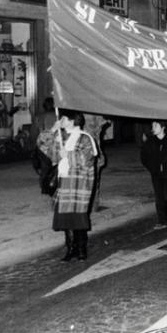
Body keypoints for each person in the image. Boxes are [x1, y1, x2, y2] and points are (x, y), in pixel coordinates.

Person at [37, 109, 99, 261]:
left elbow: (88, 159)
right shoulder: (60, 137)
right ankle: (70, 248)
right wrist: (52, 129)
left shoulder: (85, 138)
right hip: (64, 182)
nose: (61, 120)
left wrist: (69, 156)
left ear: (72, 121)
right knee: (66, 218)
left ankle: (81, 249)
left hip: (79, 184)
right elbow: (42, 145)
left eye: (63, 118)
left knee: (78, 218)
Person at [141, 120, 167, 229]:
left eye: (155, 125)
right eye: (152, 125)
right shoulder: (150, 142)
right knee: (159, 196)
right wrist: (153, 168)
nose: (153, 128)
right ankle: (162, 221)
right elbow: (144, 157)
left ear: (162, 127)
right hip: (156, 174)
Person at [33, 97, 57, 195]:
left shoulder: (41, 116)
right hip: (56, 142)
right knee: (55, 165)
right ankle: (54, 185)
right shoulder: (58, 115)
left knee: (45, 166)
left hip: (44, 142)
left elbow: (38, 130)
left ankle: (44, 187)